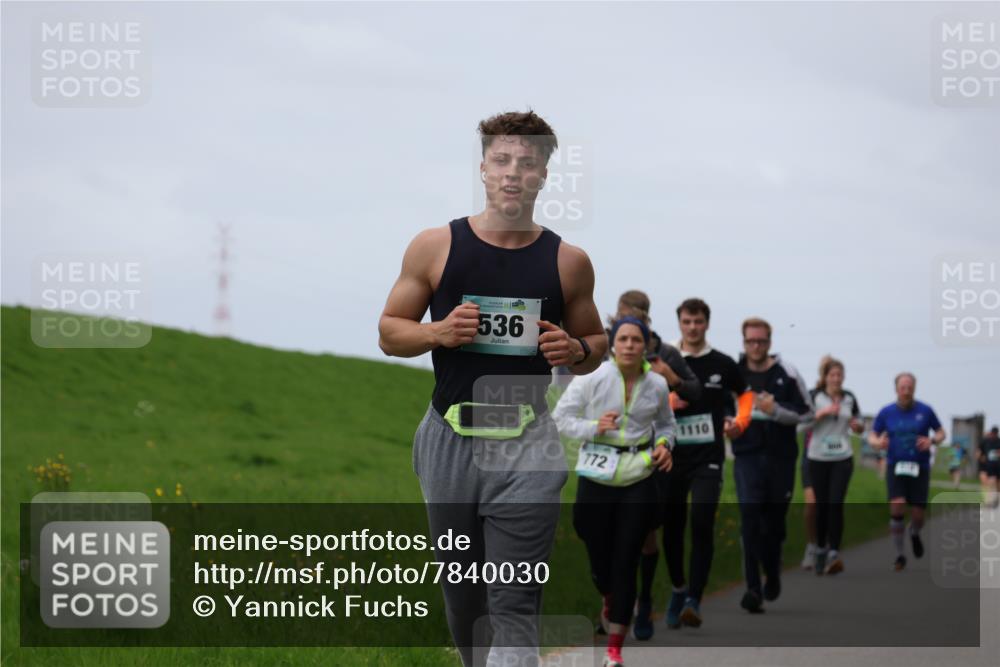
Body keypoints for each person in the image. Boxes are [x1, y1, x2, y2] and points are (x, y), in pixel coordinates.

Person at [377, 110, 608, 667]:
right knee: (463, 602)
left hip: (526, 441)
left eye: (526, 163)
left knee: (514, 600)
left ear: (543, 176)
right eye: (502, 160)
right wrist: (436, 331)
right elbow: (389, 332)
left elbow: (595, 340)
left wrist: (574, 351)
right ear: (483, 169)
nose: (512, 173)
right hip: (448, 439)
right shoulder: (435, 246)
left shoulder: (568, 262)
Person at [553, 315, 674, 667]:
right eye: (623, 339)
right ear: (614, 343)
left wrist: (665, 443)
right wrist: (595, 426)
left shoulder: (657, 385)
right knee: (598, 555)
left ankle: (614, 649)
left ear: (646, 345)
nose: (630, 346)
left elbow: (666, 423)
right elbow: (561, 419)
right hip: (596, 473)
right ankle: (608, 596)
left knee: (626, 561)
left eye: (637, 340)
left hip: (638, 475)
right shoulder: (592, 376)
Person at [633, 298, 752, 635]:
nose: (693, 327)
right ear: (680, 323)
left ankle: (693, 602)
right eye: (687, 322)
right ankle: (679, 588)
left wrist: (740, 422)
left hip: (708, 458)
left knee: (701, 521)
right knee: (671, 527)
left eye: (698, 321)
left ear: (707, 323)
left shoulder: (723, 363)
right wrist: (667, 398)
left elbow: (745, 394)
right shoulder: (665, 358)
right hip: (670, 455)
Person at [732, 317, 812, 613]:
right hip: (747, 456)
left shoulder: (787, 373)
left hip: (781, 458)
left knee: (773, 526)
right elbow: (722, 410)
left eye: (761, 341)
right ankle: (753, 588)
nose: (756, 346)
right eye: (751, 341)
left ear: (770, 342)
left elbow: (808, 413)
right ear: (744, 342)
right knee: (750, 518)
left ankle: (773, 571)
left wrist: (775, 410)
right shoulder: (735, 374)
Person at [869, 373, 946, 571]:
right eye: (903, 387)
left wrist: (932, 441)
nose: (906, 391)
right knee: (897, 505)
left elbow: (941, 432)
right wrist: (878, 443)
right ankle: (899, 554)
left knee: (918, 514)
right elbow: (872, 435)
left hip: (919, 467)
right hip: (895, 465)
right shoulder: (886, 412)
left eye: (909, 387)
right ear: (896, 389)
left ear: (914, 388)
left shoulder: (925, 410)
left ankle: (914, 531)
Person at [802, 357, 863, 575]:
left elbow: (859, 423)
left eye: (839, 375)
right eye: (832, 375)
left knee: (836, 503)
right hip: (818, 457)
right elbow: (801, 424)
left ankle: (834, 553)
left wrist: (858, 426)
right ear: (825, 377)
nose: (836, 379)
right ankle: (819, 548)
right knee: (821, 506)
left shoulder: (849, 398)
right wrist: (822, 413)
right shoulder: (814, 396)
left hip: (842, 457)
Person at [979, 426, 1000, 507]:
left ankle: (996, 498)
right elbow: (978, 452)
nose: (993, 435)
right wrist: (981, 458)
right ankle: (988, 500)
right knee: (989, 483)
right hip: (988, 466)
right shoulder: (985, 441)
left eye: (995, 433)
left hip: (997, 465)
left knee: (997, 484)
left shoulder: (998, 441)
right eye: (992, 433)